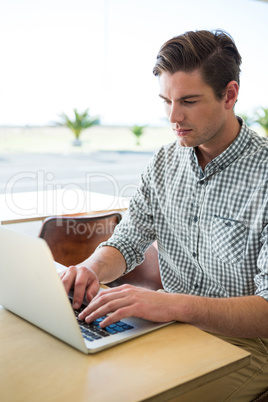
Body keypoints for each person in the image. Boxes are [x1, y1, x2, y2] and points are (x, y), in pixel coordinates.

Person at [60, 30, 268, 401]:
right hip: (169, 327)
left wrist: (169, 303)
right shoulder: (163, 161)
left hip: (249, 348)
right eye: (166, 100)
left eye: (188, 100)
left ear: (230, 95)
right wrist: (90, 269)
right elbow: (128, 240)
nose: (173, 116)